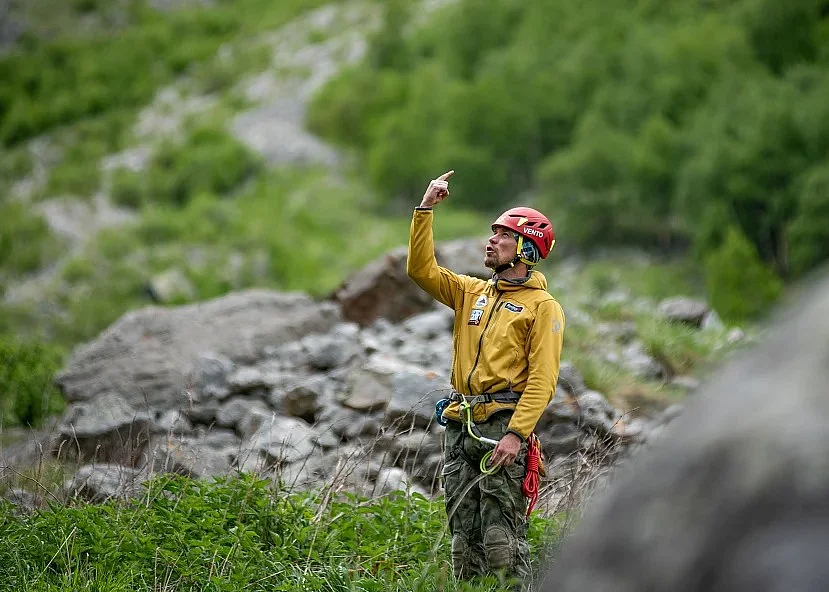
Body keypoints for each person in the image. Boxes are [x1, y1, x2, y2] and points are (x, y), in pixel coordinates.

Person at [406, 170, 565, 588]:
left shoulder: (543, 307)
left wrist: (517, 435)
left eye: (503, 235)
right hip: (461, 426)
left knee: (501, 543)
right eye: (492, 233)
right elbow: (420, 270)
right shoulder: (470, 292)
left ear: (526, 250)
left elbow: (544, 380)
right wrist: (425, 210)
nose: (491, 241)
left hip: (502, 431)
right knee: (463, 544)